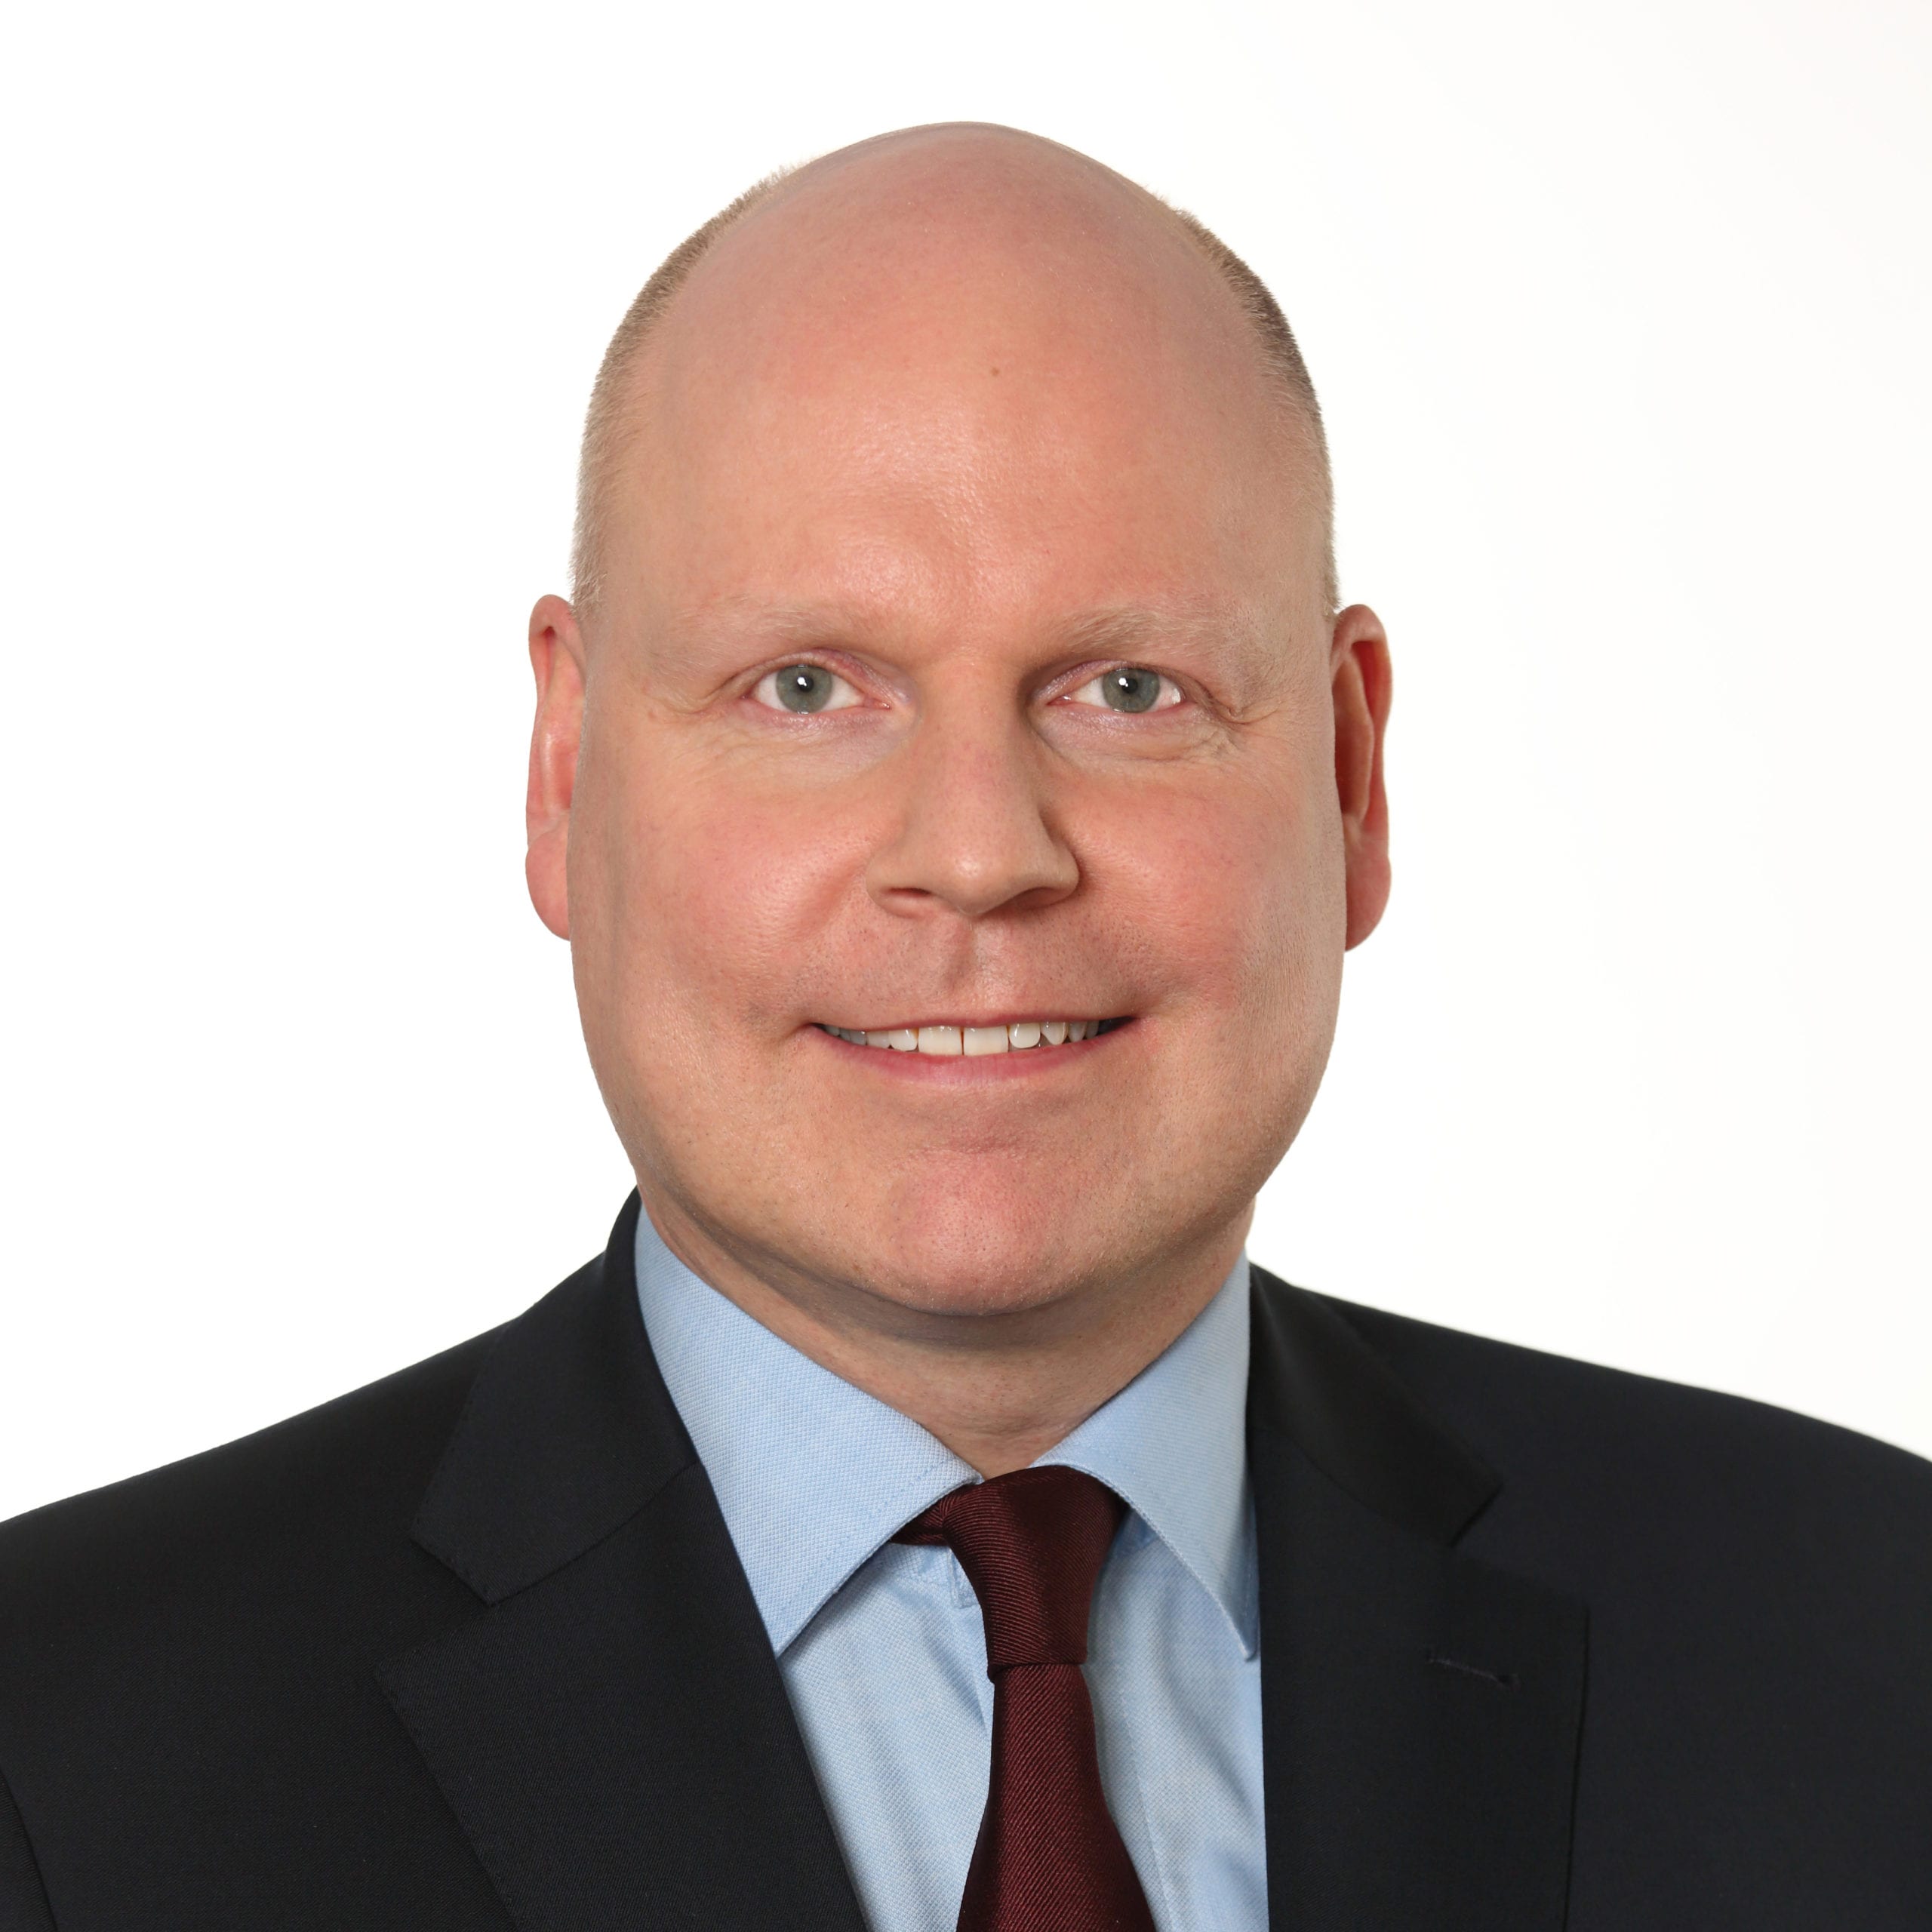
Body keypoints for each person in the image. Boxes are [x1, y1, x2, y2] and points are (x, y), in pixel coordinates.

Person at [0, 122, 1925, 1932]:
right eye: (808, 683)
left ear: (1347, 774)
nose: (980, 854)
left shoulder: (1869, 1647)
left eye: (1125, 682)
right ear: (566, 765)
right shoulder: (60, 1749)